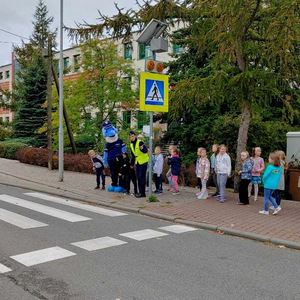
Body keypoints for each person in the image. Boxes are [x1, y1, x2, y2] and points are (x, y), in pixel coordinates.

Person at [129, 131, 149, 198]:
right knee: (138, 177)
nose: (131, 138)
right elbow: (133, 155)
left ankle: (142, 193)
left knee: (141, 177)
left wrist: (143, 149)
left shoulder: (140, 142)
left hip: (143, 161)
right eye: (130, 137)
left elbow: (146, 151)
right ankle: (139, 192)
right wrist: (131, 164)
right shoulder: (131, 144)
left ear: (135, 136)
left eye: (132, 136)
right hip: (137, 162)